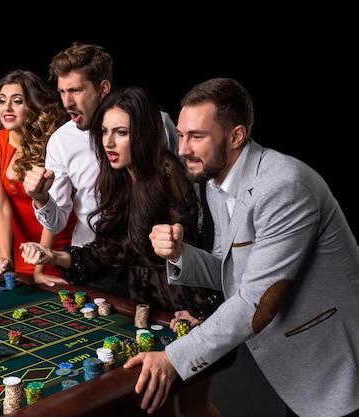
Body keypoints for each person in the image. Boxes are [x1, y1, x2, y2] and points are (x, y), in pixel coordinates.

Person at [125, 77, 359, 417]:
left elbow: (256, 301)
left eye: (197, 136)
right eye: (181, 134)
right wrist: (180, 255)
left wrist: (174, 358)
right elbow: (229, 268)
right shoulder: (218, 182)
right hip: (292, 367)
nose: (182, 149)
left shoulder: (283, 186)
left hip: (335, 367)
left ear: (236, 136)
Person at [20, 86, 224, 417]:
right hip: (146, 301)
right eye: (104, 132)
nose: (109, 142)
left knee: (194, 405)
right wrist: (54, 256)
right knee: (156, 406)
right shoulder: (118, 175)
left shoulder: (166, 168)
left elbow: (195, 248)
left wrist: (200, 314)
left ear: (141, 134)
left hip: (185, 304)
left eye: (121, 133)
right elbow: (114, 247)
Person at [23, 42, 180, 248]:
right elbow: (56, 224)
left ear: (103, 88)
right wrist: (41, 199)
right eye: (62, 91)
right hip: (94, 263)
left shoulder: (155, 123)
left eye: (76, 90)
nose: (67, 102)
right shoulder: (62, 141)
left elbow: (184, 191)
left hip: (150, 258)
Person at [0, 69, 76, 285]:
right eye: (1, 101)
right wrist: (5, 257)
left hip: (61, 251)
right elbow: (0, 207)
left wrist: (40, 267)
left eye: (17, 101)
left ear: (33, 105)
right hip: (24, 254)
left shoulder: (55, 141)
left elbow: (52, 207)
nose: (6, 108)